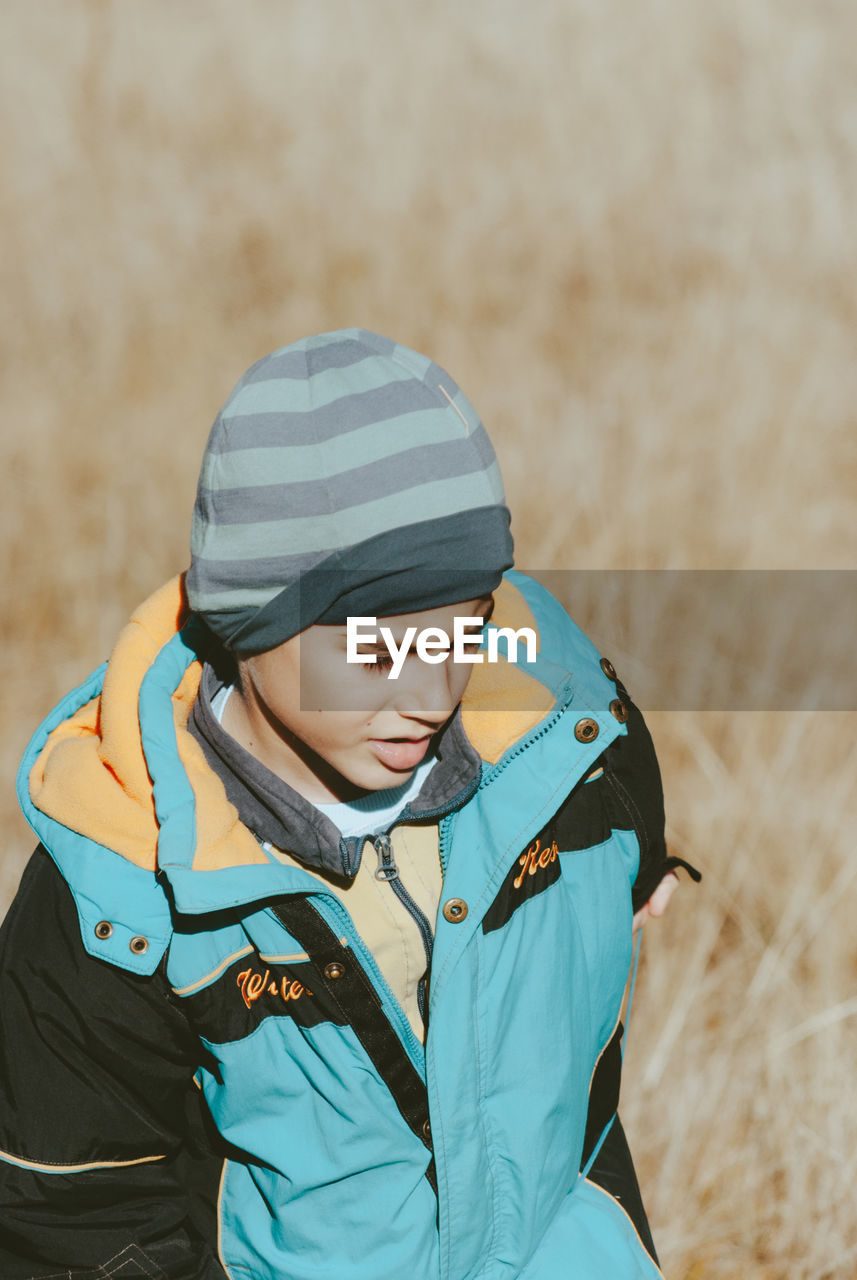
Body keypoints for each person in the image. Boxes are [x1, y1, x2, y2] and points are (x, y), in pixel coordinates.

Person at [0, 328, 698, 1279]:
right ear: (251, 620)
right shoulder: (120, 890)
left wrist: (643, 858)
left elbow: (606, 747)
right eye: (378, 649)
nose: (429, 691)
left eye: (463, 632)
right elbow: (74, 1219)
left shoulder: (559, 733)